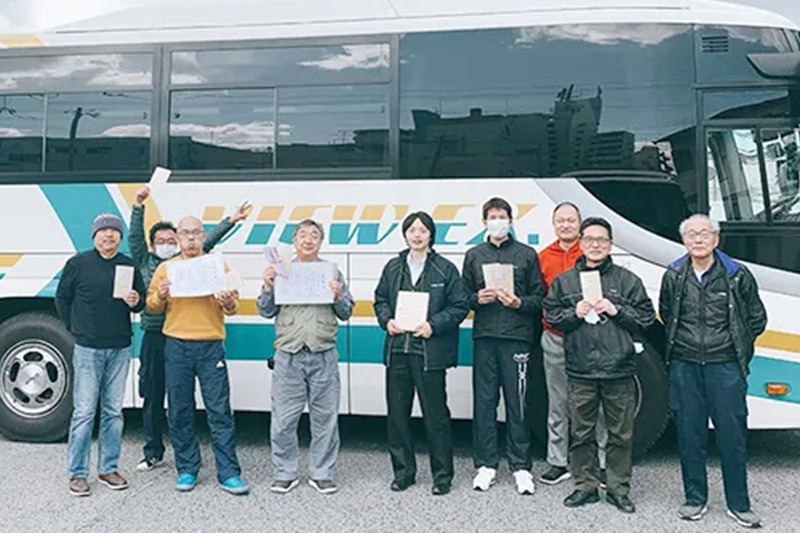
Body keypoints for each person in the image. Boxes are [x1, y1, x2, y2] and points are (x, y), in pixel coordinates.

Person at [129, 186, 250, 472]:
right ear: (178, 238)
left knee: (219, 410)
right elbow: (152, 306)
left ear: (202, 237)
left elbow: (233, 306)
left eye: (196, 233)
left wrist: (229, 302)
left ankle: (228, 471)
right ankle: (183, 467)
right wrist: (160, 295)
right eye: (185, 233)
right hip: (173, 343)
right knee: (176, 409)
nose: (191, 238)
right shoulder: (164, 268)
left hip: (210, 345)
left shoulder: (216, 265)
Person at [659, 214, 767, 528]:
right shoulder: (674, 274)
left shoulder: (737, 274)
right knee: (689, 435)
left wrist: (735, 348)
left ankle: (739, 504)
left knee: (732, 437)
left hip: (726, 368)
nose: (698, 239)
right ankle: (695, 499)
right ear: (683, 241)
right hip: (685, 366)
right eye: (691, 234)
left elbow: (756, 318)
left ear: (716, 239)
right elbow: (667, 313)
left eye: (704, 233)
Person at [544, 217, 655, 514]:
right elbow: (551, 316)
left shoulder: (627, 280)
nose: (596, 245)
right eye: (590, 239)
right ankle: (585, 487)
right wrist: (574, 312)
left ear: (610, 245)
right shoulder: (565, 281)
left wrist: (617, 310)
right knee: (581, 433)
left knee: (620, 435)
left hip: (619, 368)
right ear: (581, 243)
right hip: (580, 368)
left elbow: (646, 318)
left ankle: (618, 489)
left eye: (602, 240)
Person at [373, 212, 469, 496]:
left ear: (431, 235)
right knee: (397, 416)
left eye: (423, 230)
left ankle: (442, 476)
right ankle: (403, 473)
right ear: (405, 235)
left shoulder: (444, 269)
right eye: (412, 230)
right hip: (398, 351)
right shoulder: (393, 267)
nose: (417, 235)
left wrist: (433, 325)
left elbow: (459, 306)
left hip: (429, 353)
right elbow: (380, 300)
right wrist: (387, 320)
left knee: (435, 416)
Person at [257, 219, 354, 495]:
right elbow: (265, 310)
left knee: (325, 419)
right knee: (283, 420)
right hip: (288, 354)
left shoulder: (332, 271)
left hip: (323, 354)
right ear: (294, 241)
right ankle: (284, 473)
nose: (308, 240)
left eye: (314, 235)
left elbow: (347, 311)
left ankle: (321, 473)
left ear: (320, 242)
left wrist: (338, 296)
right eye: (302, 235)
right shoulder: (280, 271)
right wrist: (267, 286)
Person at [56, 213, 146, 497]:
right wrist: (74, 329)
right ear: (94, 236)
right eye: (103, 231)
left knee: (113, 412)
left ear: (120, 237)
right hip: (88, 349)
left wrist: (136, 301)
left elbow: (140, 301)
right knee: (84, 412)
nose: (109, 235)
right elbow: (62, 298)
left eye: (114, 231)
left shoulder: (128, 264)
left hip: (120, 347)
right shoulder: (78, 263)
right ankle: (78, 473)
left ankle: (108, 468)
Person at [461, 197, 544, 494]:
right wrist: (477, 299)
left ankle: (521, 466)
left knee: (518, 402)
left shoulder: (526, 255)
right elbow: (462, 297)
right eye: (492, 217)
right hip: (485, 336)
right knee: (484, 402)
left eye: (502, 216)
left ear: (510, 220)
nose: (497, 221)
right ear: (484, 221)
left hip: (517, 337)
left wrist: (519, 302)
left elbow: (539, 298)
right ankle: (486, 465)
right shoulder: (474, 255)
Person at [538, 202, 608, 486]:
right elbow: (540, 298)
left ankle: (601, 463)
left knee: (596, 403)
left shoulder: (591, 254)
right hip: (555, 337)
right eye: (560, 221)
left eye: (571, 220)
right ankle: (557, 461)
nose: (565, 225)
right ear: (553, 225)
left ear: (579, 224)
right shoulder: (543, 257)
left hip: (590, 339)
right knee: (558, 402)